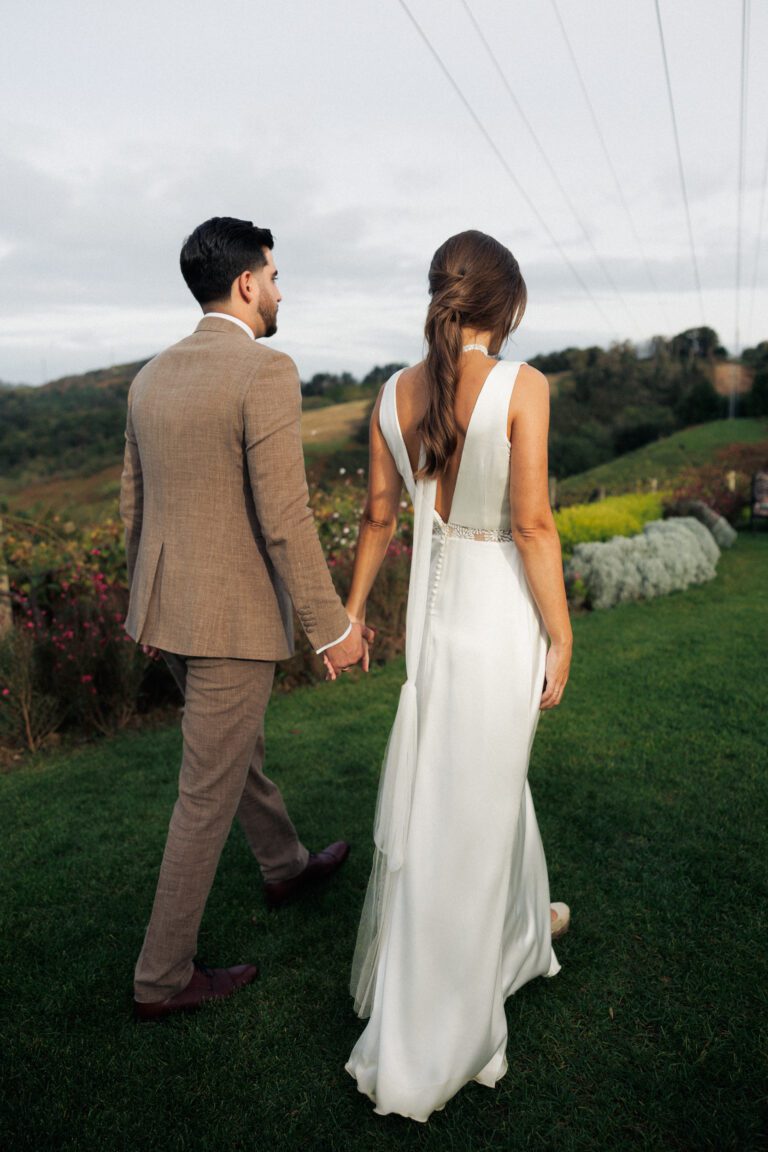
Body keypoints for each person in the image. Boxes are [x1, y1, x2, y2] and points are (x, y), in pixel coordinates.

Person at [343, 230, 572, 1120]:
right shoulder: (524, 386)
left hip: (431, 622)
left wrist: (355, 613)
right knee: (472, 797)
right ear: (504, 305)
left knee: (468, 788)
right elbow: (535, 525)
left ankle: (519, 931)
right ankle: (443, 1010)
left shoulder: (389, 394)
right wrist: (560, 633)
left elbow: (375, 517)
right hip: (495, 612)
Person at [120, 216, 369, 1022]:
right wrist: (333, 627)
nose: (280, 289)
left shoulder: (150, 376)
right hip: (228, 621)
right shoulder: (265, 370)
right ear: (246, 284)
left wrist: (141, 606)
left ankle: (285, 864)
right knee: (205, 792)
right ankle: (163, 977)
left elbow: (134, 504)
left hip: (169, 613)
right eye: (274, 274)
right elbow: (286, 517)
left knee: (235, 750)